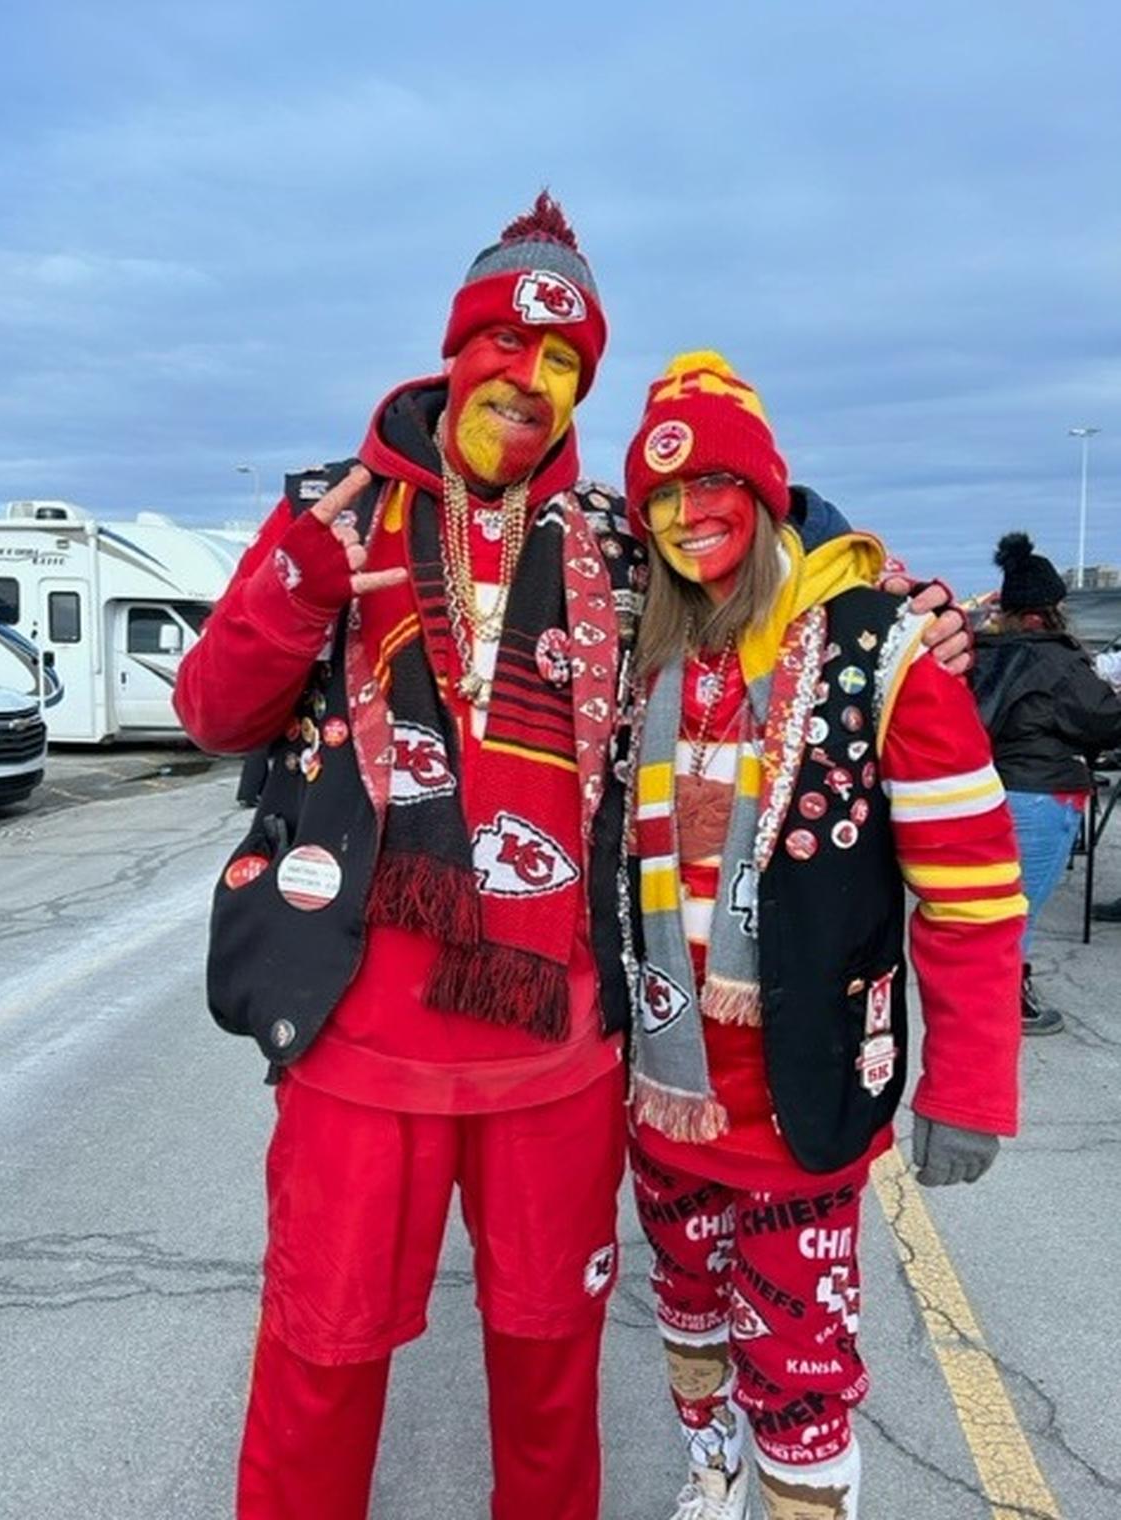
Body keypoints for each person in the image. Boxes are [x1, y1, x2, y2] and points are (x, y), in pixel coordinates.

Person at [173, 200, 970, 1520]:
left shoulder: (614, 535)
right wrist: (295, 584)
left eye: (563, 365)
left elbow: (768, 564)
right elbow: (213, 712)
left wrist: (899, 614)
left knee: (548, 1380)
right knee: (317, 1365)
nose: (528, 382)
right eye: (503, 345)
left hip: (561, 1054)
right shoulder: (338, 512)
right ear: (455, 348)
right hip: (359, 1055)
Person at [622, 352, 1024, 1520]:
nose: (690, 516)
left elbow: (975, 888)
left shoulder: (880, 645)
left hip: (801, 1101)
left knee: (799, 1366)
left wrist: (974, 1081)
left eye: (714, 486)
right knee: (688, 1307)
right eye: (663, 495)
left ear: (767, 490)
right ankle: (712, 1468)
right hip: (660, 1088)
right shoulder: (643, 649)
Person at [972, 533, 1121, 1030]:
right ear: (1048, 611)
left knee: (990, 902)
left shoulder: (984, 652)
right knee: (1020, 907)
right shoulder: (1057, 659)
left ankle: (989, 991)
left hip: (987, 790)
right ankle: (1006, 999)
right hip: (1039, 793)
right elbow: (1102, 721)